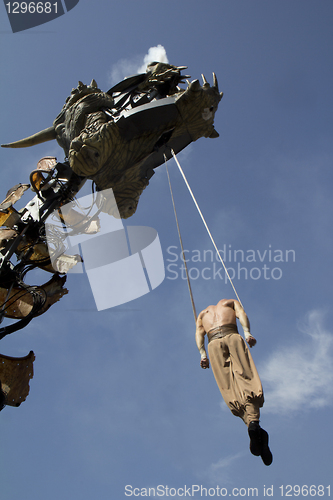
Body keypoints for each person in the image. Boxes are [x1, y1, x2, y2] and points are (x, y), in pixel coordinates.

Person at [195, 298, 272, 466]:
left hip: (213, 343)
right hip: (232, 336)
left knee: (227, 384)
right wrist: (247, 333)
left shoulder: (202, 314)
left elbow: (199, 334)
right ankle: (254, 423)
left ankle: (252, 425)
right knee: (245, 375)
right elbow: (242, 314)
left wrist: (202, 355)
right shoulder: (229, 302)